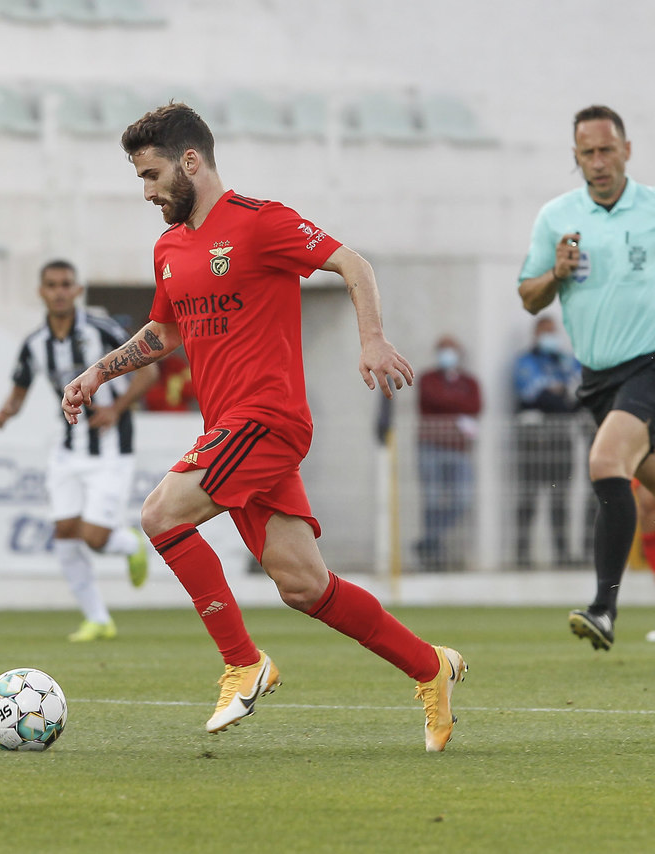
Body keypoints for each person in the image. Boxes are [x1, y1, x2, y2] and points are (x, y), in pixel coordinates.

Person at [61, 102, 466, 751]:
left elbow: (352, 264)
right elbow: (164, 331)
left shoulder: (260, 223)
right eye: (140, 177)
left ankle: (243, 663)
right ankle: (430, 667)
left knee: (161, 515)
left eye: (152, 174)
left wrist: (371, 339)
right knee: (305, 587)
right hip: (231, 432)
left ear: (190, 161)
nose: (146, 191)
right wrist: (97, 373)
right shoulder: (168, 247)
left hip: (267, 422)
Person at [517, 104, 655, 651]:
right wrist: (556, 272)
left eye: (606, 149)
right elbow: (529, 298)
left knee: (604, 462)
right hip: (598, 379)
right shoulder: (557, 216)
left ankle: (604, 608)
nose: (598, 162)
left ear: (626, 149)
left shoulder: (652, 210)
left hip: (649, 364)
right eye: (587, 153)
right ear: (575, 158)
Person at [0, 259, 157, 641]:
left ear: (77, 290)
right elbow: (18, 392)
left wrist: (116, 408)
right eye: (51, 284)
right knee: (65, 530)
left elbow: (149, 371)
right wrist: (6, 412)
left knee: (95, 537)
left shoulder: (101, 330)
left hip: (111, 449)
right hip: (68, 449)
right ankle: (97, 619)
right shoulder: (34, 344)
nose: (59, 291)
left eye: (66, 284)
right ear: (41, 292)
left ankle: (128, 542)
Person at [511, 316, 580, 567]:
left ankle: (562, 554)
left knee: (560, 498)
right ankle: (522, 554)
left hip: (562, 439)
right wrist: (560, 396)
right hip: (534, 441)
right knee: (528, 497)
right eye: (545, 332)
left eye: (553, 331)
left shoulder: (566, 360)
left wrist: (559, 395)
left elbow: (580, 392)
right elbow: (533, 393)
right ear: (536, 334)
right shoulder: (525, 361)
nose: (550, 336)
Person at [415, 336, 482, 571]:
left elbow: (475, 406)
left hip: (459, 449)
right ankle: (432, 552)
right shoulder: (427, 379)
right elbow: (432, 398)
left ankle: (429, 542)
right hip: (431, 446)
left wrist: (449, 406)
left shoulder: (469, 382)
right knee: (432, 500)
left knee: (463, 500)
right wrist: (456, 406)